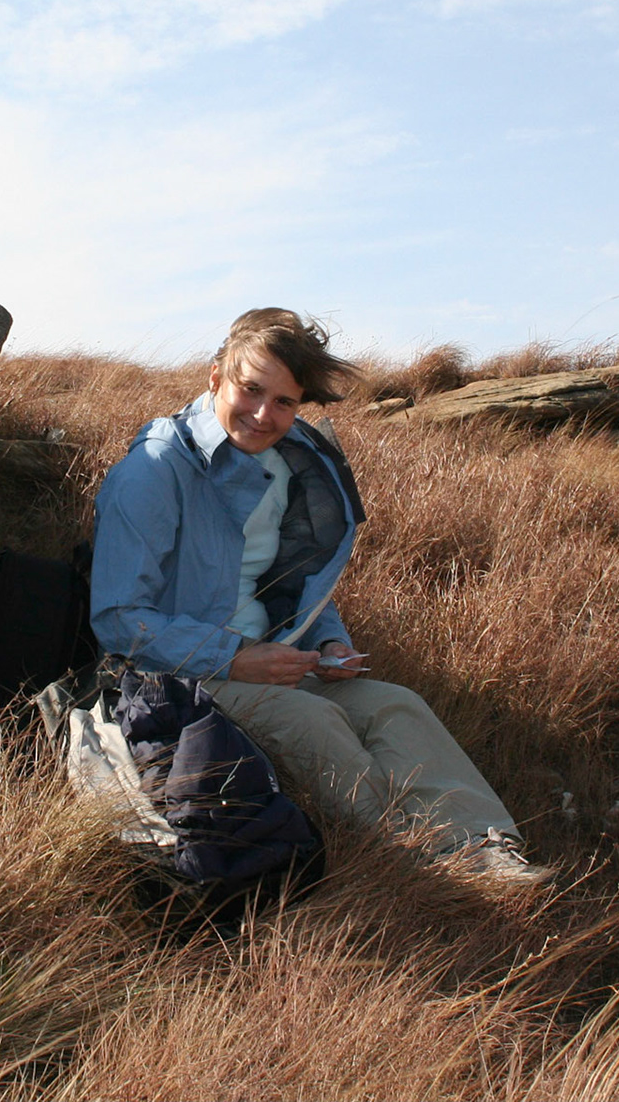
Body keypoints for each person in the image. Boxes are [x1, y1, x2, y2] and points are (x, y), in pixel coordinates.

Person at [88, 307, 552, 887]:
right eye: (251, 389)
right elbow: (119, 619)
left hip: (280, 655)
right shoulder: (154, 471)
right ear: (216, 378)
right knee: (315, 721)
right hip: (187, 672)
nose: (264, 415)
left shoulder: (290, 465)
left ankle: (487, 844)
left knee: (395, 705)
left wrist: (330, 640)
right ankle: (432, 862)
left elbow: (292, 583)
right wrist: (234, 658)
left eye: (284, 402)